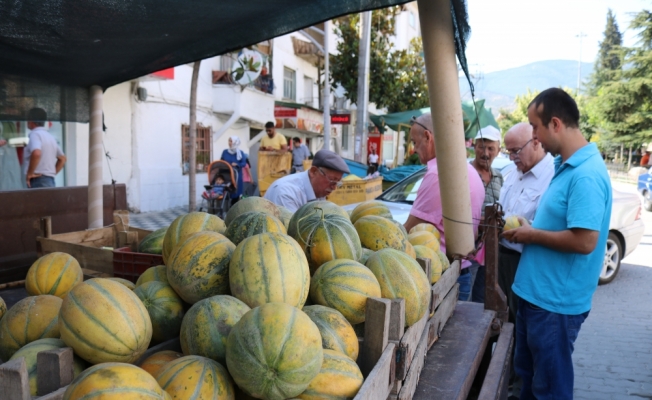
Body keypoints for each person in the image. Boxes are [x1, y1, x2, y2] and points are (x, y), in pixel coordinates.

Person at [503, 88, 612, 399]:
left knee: (549, 390)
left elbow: (585, 240)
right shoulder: (566, 166)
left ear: (554, 124)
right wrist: (532, 228)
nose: (534, 136)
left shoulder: (585, 175)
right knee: (529, 383)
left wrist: (532, 235)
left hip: (554, 306)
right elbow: (560, 225)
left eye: (535, 127)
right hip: (537, 297)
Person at [403, 114, 485, 301]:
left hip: (439, 277)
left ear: (428, 137)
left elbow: (410, 230)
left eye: (415, 143)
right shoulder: (468, 170)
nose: (414, 150)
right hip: (459, 271)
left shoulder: (437, 175)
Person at [498, 122, 554, 325]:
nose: (512, 157)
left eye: (516, 151)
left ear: (536, 142)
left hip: (527, 264)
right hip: (501, 259)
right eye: (508, 151)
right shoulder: (512, 173)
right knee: (502, 326)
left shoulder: (553, 177)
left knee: (520, 328)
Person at [468, 125, 503, 303]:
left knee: (483, 297)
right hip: (468, 247)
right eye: (482, 147)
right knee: (464, 295)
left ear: (498, 151)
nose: (485, 153)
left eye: (491, 148)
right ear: (474, 147)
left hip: (491, 250)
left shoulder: (499, 178)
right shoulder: (464, 173)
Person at [264, 149, 349, 212]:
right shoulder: (286, 192)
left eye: (337, 183)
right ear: (313, 172)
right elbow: (293, 231)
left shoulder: (319, 192)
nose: (334, 187)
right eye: (332, 180)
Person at [23, 108, 66, 188]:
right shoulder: (49, 136)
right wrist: (50, 174)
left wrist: (30, 173)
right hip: (49, 181)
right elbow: (62, 158)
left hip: (38, 181)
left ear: (31, 119)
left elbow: (36, 153)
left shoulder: (35, 134)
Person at [220, 136, 248, 202]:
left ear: (236, 142)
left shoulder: (240, 153)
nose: (229, 143)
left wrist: (237, 164)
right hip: (227, 175)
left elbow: (244, 163)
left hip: (237, 176)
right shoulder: (225, 152)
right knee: (227, 191)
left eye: (231, 141)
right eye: (229, 141)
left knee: (236, 193)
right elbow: (221, 161)